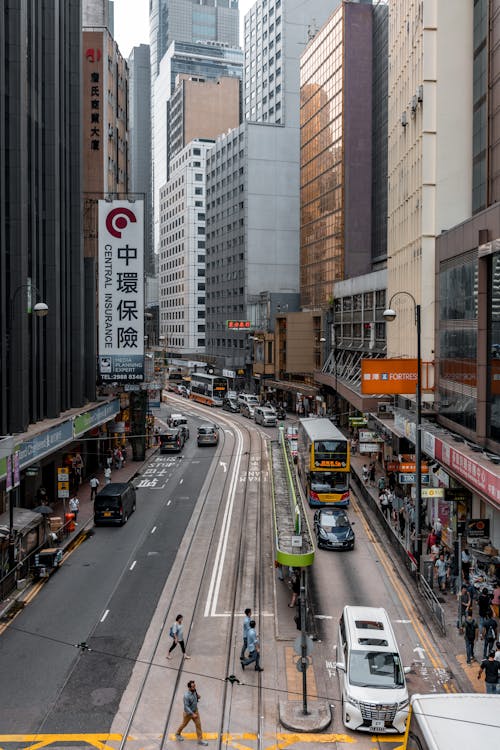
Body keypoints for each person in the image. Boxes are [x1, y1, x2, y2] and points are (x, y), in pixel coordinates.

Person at [174, 680, 208, 745]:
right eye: (192, 687)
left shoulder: (194, 691)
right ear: (189, 688)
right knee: (184, 724)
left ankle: (200, 740)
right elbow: (186, 707)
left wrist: (198, 696)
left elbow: (196, 695)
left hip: (195, 711)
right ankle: (177, 733)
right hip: (188, 714)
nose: (194, 688)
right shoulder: (186, 696)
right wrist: (192, 714)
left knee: (198, 725)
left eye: (194, 686)